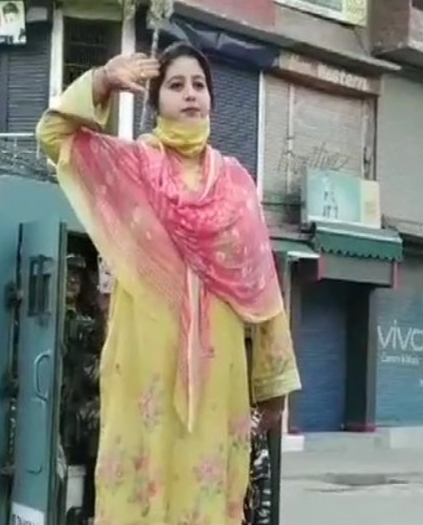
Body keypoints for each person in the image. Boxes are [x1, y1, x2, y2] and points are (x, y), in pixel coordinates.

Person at [36, 41, 301, 525]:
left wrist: (273, 384)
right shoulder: (132, 167)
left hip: (218, 373)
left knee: (208, 494)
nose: (190, 94)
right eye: (176, 85)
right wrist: (102, 81)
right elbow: (53, 135)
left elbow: (263, 288)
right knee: (141, 488)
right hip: (143, 364)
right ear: (155, 101)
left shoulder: (237, 184)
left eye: (199, 85)